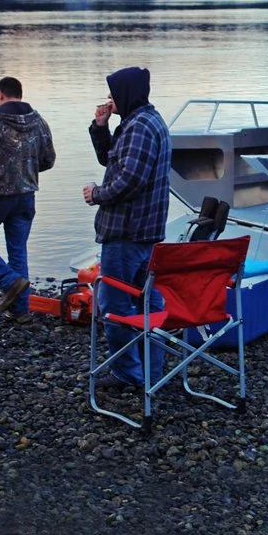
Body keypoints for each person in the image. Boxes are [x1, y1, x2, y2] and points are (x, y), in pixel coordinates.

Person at [83, 66, 171, 389]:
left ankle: (129, 375)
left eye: (113, 92)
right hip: (144, 232)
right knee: (148, 301)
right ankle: (151, 373)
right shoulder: (140, 122)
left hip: (126, 232)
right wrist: (100, 127)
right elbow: (113, 161)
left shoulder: (140, 128)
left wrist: (97, 195)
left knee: (115, 305)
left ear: (127, 93)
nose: (109, 98)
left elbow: (129, 181)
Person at [0, 76, 56, 324]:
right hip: (27, 195)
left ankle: (8, 281)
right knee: (18, 249)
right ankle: (21, 309)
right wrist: (26, 170)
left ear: (0, 94)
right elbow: (48, 159)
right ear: (20, 93)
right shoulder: (38, 121)